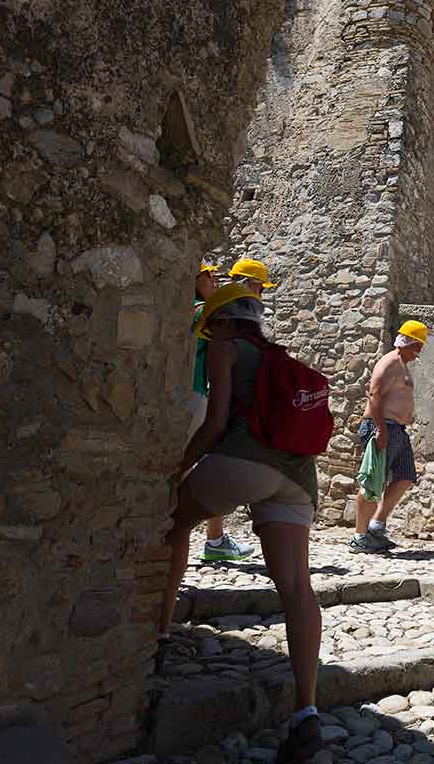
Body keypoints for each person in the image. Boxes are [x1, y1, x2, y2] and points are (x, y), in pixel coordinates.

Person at [159, 284, 325, 762]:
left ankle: (160, 634)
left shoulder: (225, 350)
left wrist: (178, 469)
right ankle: (306, 713)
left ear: (226, 323)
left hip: (242, 461)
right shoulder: (280, 357)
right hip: (297, 477)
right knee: (298, 586)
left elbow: (213, 426)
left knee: (173, 524)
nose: (208, 335)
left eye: (210, 326)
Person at [191, 261, 255, 562]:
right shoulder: (197, 308)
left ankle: (215, 538)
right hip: (192, 395)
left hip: (198, 395)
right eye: (208, 274)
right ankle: (211, 539)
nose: (214, 277)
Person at [350, 321, 428, 554]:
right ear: (408, 343)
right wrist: (381, 429)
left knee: (405, 476)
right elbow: (374, 394)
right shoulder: (390, 362)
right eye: (418, 346)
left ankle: (376, 525)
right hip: (382, 428)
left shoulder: (402, 364)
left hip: (397, 430)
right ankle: (360, 537)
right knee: (373, 481)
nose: (419, 352)